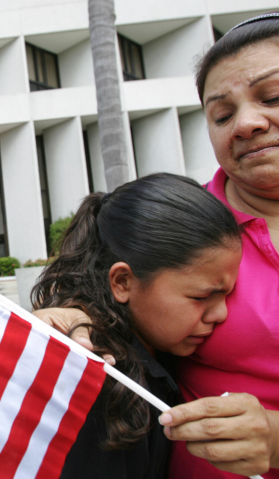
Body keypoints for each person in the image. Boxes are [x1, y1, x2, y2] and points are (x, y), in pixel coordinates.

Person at [35, 8, 279, 479]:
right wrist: (76, 315)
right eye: (221, 113)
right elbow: (117, 298)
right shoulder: (185, 222)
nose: (247, 123)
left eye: (274, 96)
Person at [32, 173, 242, 479]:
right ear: (123, 282)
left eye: (228, 294)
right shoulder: (103, 382)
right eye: (201, 296)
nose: (220, 314)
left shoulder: (158, 350)